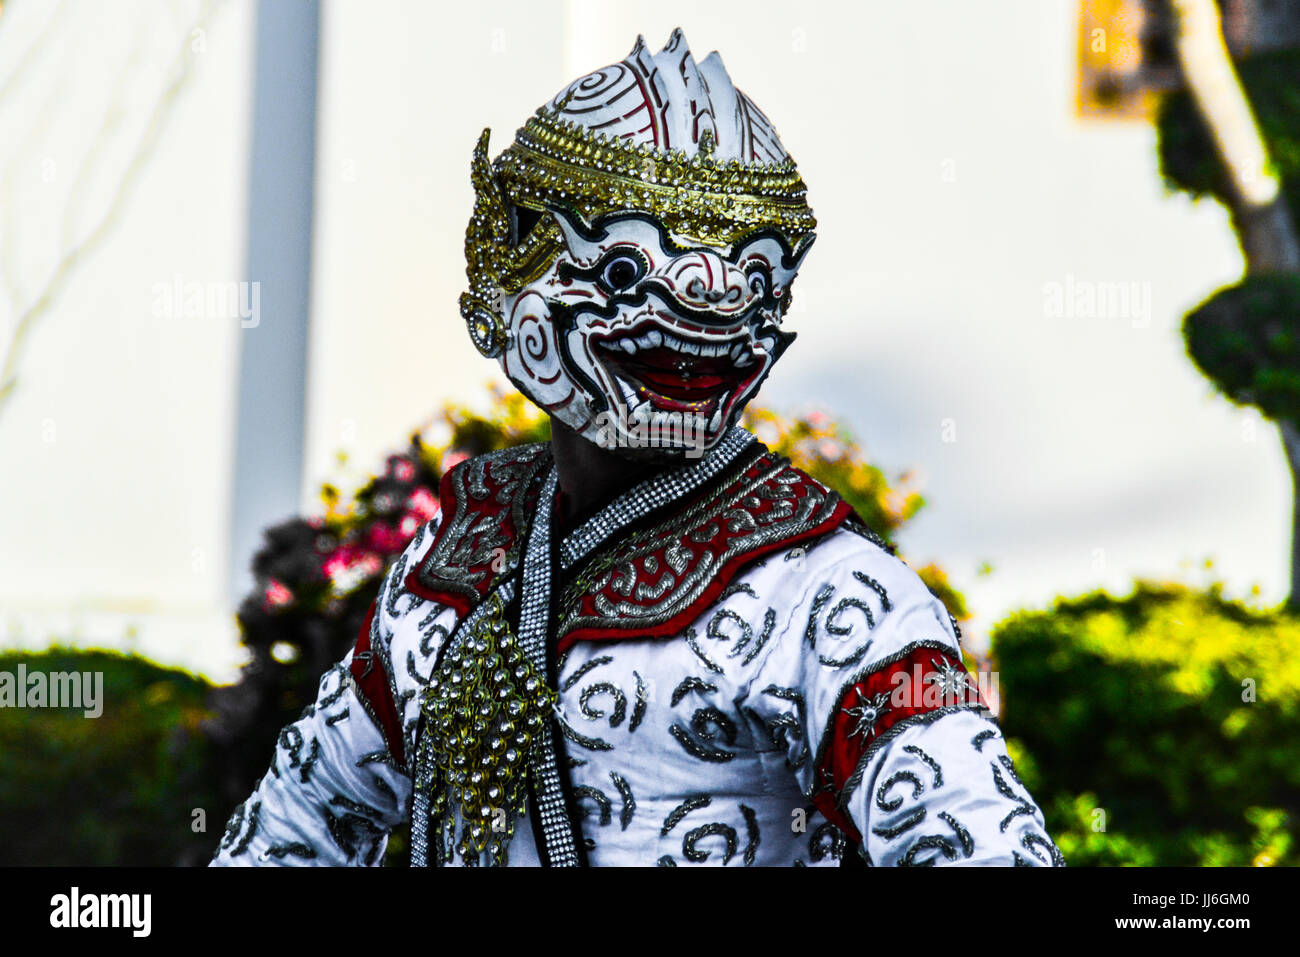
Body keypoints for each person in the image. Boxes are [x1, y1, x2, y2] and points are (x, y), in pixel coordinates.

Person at [212, 29, 1063, 868]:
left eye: (753, 282)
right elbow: (306, 814)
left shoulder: (831, 589)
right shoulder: (458, 553)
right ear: (515, 275)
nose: (710, 317)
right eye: (624, 276)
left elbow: (976, 837)